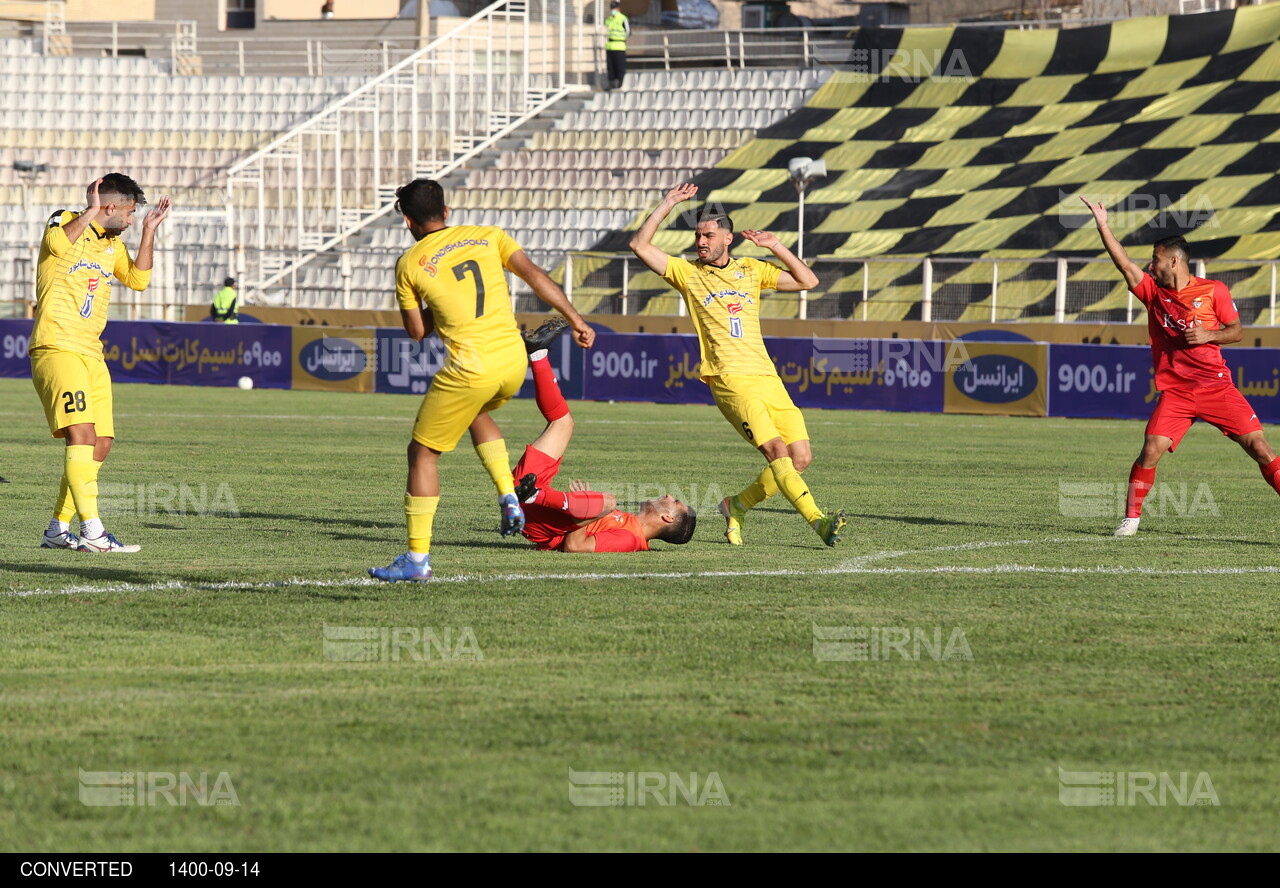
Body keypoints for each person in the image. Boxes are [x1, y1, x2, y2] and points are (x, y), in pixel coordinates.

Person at [369, 178, 595, 582]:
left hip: (470, 366)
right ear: (447, 211)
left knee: (421, 455)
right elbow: (536, 276)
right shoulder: (489, 236)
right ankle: (508, 491)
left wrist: (439, 305)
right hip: (512, 359)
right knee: (475, 414)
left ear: (407, 221)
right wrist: (576, 320)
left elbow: (418, 333)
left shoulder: (409, 263)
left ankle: (417, 560)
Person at [629, 183, 846, 548]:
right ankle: (819, 522)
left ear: (727, 238)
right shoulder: (688, 272)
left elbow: (808, 280)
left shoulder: (751, 269)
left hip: (768, 377)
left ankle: (736, 505)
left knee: (801, 458)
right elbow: (639, 246)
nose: (701, 241)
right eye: (698, 234)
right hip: (730, 379)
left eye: (708, 235)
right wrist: (667, 204)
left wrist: (775, 245)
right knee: (778, 453)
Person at [1082, 198, 1280, 536]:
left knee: (1261, 449)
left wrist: (1208, 334)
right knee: (1150, 449)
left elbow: (1237, 331)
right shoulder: (1152, 293)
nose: (1150, 264)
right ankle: (1131, 520)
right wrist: (1103, 225)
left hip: (1217, 388)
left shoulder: (1213, 291)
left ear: (1174, 261)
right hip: (1176, 393)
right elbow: (1124, 265)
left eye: (1155, 259)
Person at [30, 174, 172, 552]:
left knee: (101, 443)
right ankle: (93, 531)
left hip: (93, 353)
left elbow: (138, 280)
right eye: (129, 212)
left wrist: (148, 231)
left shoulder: (113, 244)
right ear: (110, 206)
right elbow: (56, 246)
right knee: (81, 435)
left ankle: (57, 529)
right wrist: (90, 210)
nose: (130, 218)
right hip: (58, 346)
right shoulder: (63, 220)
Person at [512, 318, 696, 552]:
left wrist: (589, 512)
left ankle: (533, 495)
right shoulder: (627, 522)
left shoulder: (630, 539)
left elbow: (575, 546)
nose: (669, 495)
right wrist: (581, 507)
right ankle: (539, 354)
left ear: (668, 518)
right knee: (562, 423)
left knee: (607, 501)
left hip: (533, 513)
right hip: (534, 500)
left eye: (675, 502)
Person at [604, 0, 629, 91]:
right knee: (610, 67)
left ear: (618, 8)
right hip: (610, 46)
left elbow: (628, 32)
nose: (613, 10)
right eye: (612, 8)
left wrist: (623, 39)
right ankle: (611, 83)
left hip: (619, 45)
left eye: (614, 8)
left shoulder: (623, 18)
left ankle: (620, 83)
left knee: (619, 66)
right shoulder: (608, 19)